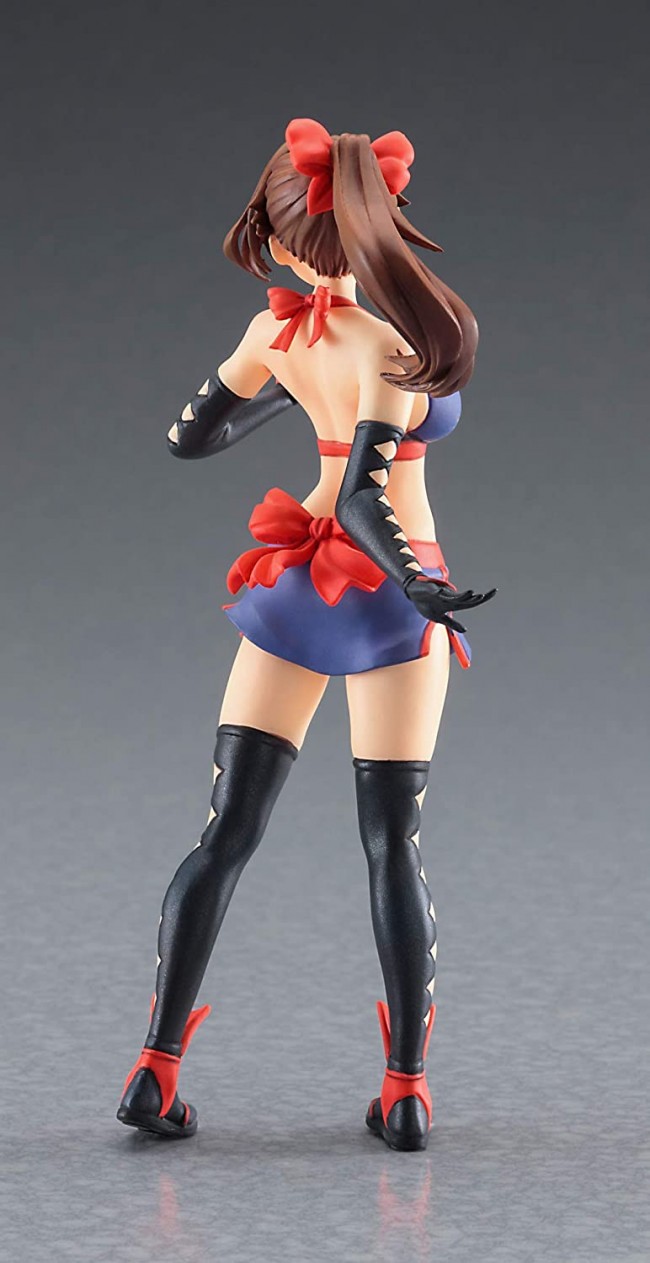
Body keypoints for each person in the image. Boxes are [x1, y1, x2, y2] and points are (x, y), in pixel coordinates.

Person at [118, 117, 495, 1151]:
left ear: (283, 241)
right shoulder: (388, 347)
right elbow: (371, 501)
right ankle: (405, 1091)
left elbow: (191, 436)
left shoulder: (272, 334)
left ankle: (154, 1067)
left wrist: (292, 398)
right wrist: (418, 585)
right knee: (389, 843)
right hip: (384, 599)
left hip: (291, 585)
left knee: (225, 831)